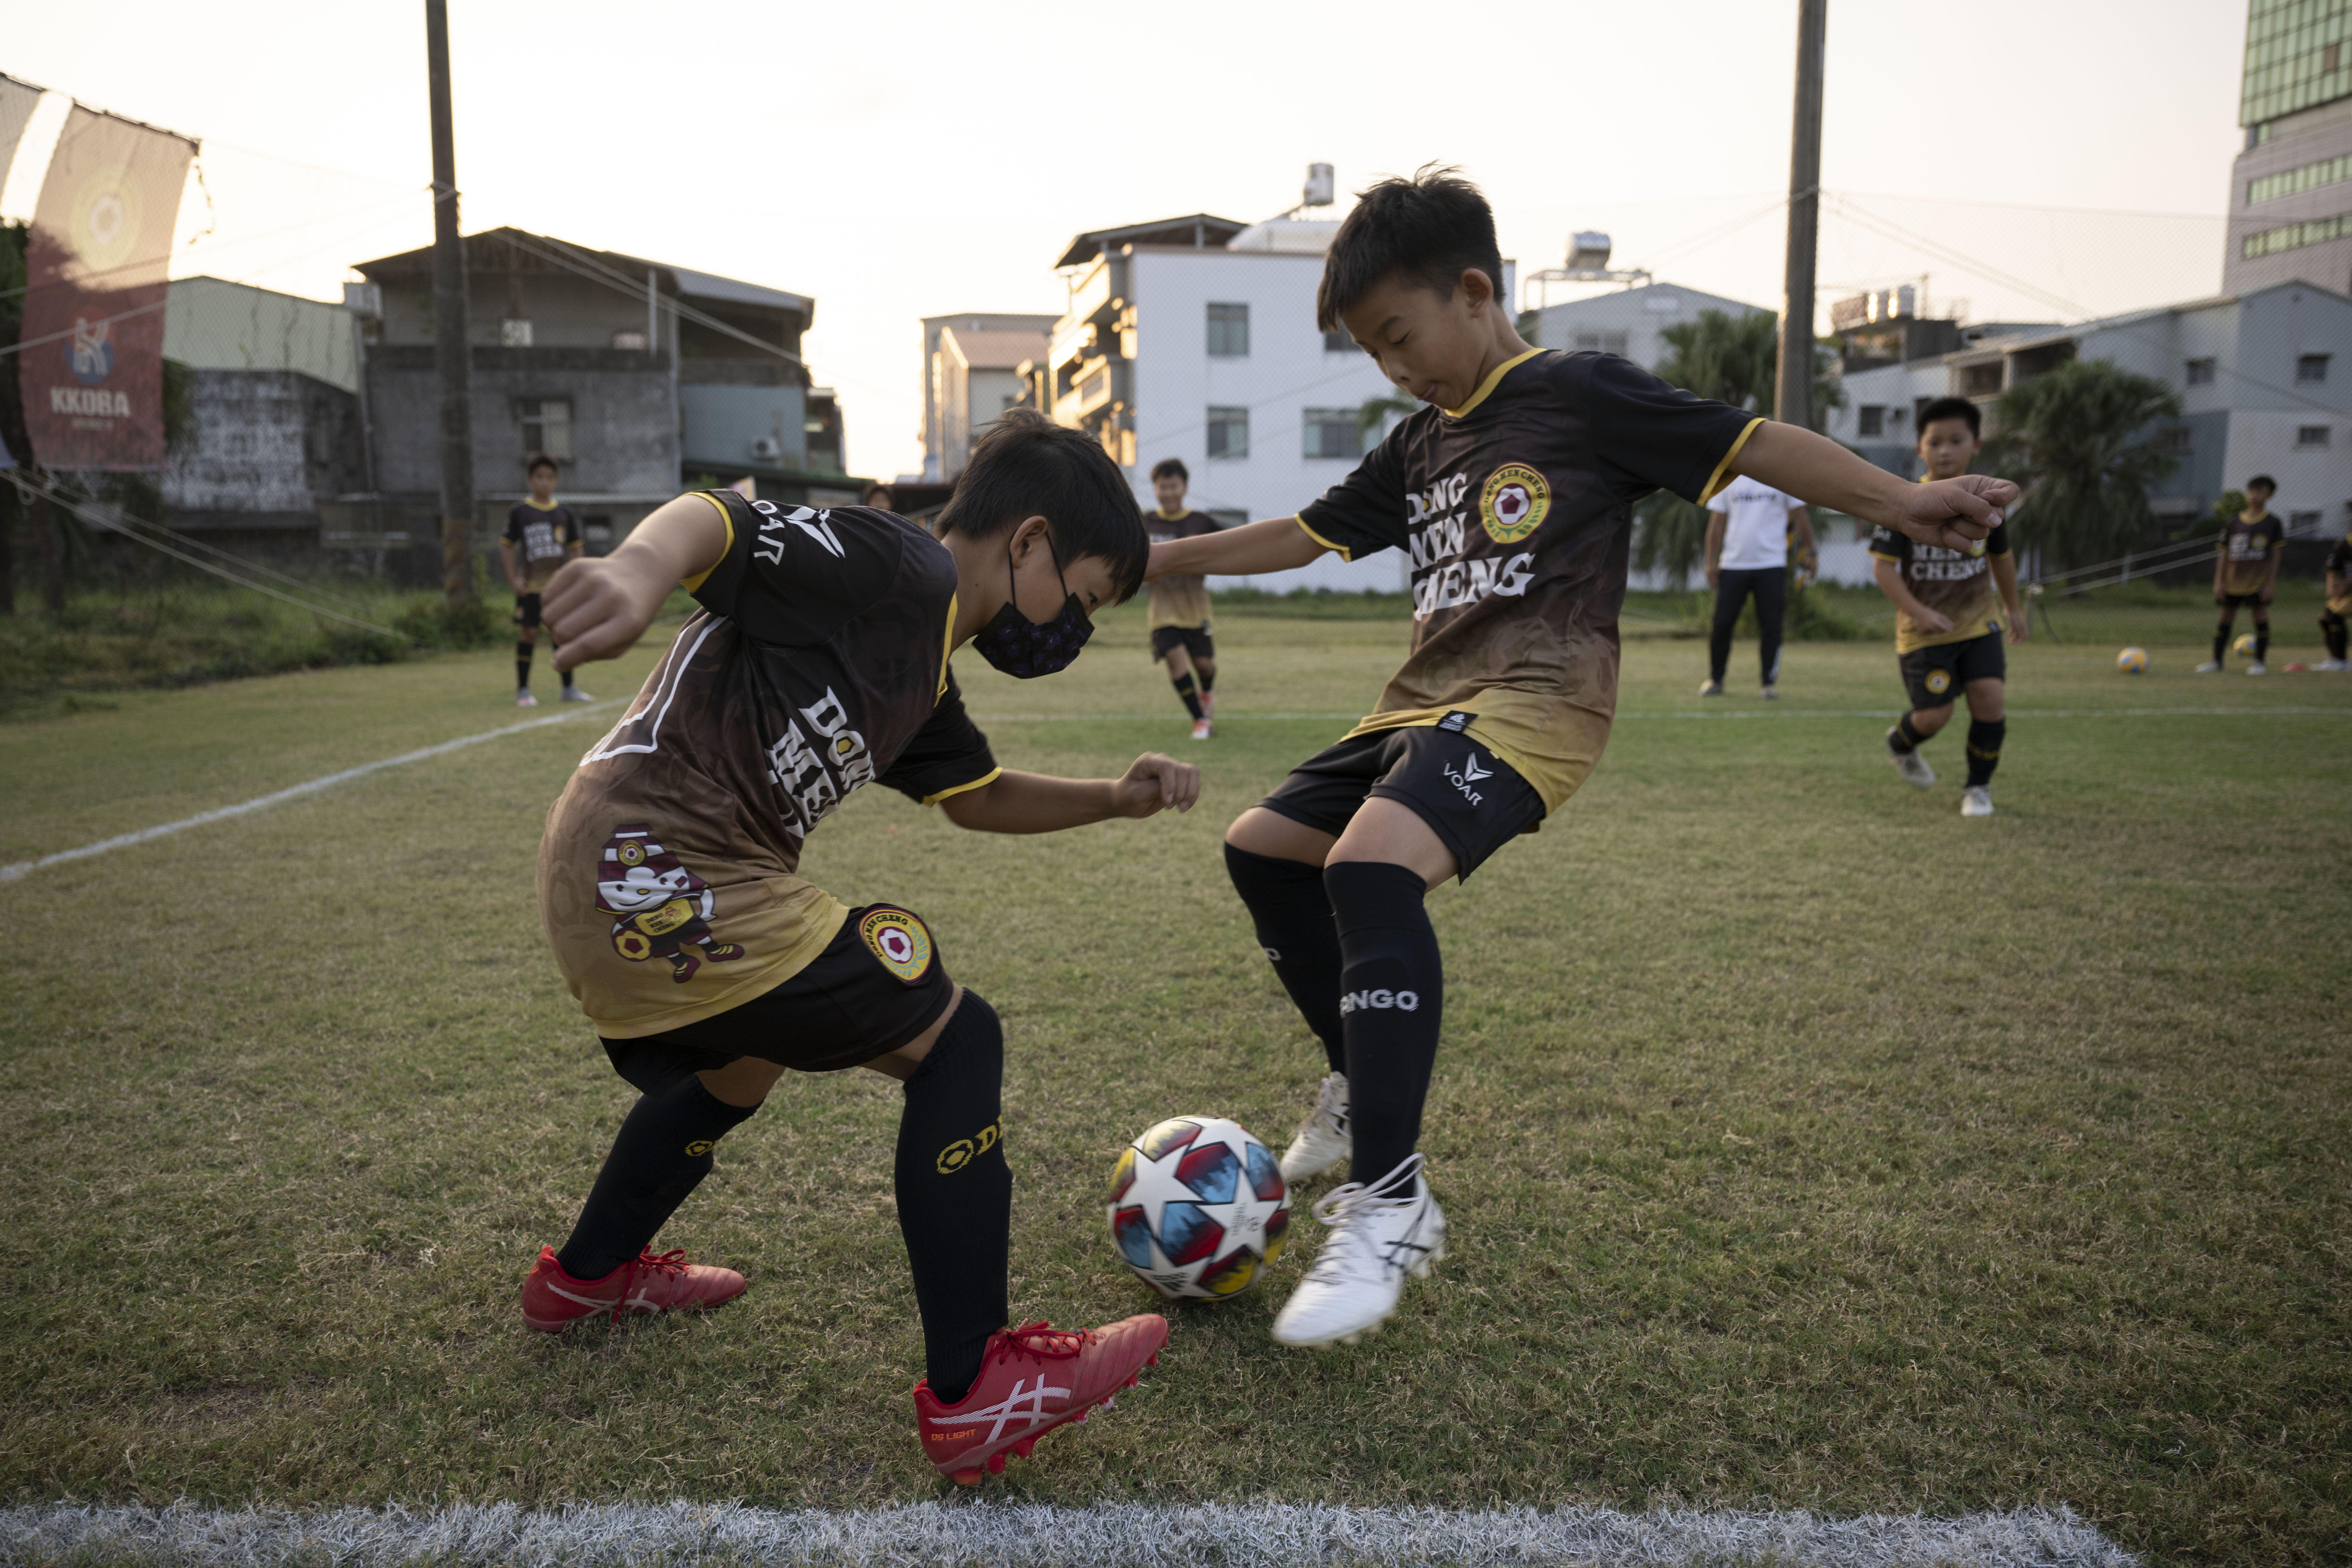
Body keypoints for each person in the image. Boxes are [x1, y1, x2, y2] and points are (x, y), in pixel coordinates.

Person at [1145, 167, 2015, 1350]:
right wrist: (1157, 557)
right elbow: (1302, 534)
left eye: (1402, 336)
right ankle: (1359, 1079)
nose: (1398, 368)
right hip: (1418, 706)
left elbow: (1757, 442)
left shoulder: (1579, 392)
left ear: (1472, 290)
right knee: (1261, 852)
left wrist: (1906, 501)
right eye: (1375, 353)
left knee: (1369, 871)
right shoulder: (1417, 444)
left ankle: (1392, 1203)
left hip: (1538, 702)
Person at [519, 410, 1192, 1484]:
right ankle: (977, 1386)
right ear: (1027, 545)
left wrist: (1117, 799)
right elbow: (722, 521)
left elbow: (975, 799)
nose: (1077, 629)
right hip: (656, 863)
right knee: (956, 1039)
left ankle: (587, 1275)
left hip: (615, 871)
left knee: (742, 1064)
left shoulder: (924, 669)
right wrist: (641, 568)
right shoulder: (898, 565)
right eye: (1087, 598)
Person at [1869, 397, 2027, 819]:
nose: (1945, 450)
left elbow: (2002, 558)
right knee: (1935, 716)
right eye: (1935, 441)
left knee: (1990, 700)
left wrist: (2013, 609)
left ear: (1975, 444)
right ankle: (1901, 743)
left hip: (1978, 625)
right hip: (1924, 634)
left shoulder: (1987, 504)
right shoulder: (1905, 502)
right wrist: (1918, 611)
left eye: (1956, 440)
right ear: (1920, 449)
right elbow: (1883, 570)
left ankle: (1978, 788)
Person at [1698, 473, 1814, 699]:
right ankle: (1716, 679)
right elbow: (1717, 522)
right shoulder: (1729, 478)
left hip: (1771, 564)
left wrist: (1811, 551)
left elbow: (1801, 516)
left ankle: (1768, 684)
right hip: (1734, 564)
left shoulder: (1782, 475)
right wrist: (1710, 561)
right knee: (1722, 623)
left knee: (1771, 625)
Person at [1143, 458, 1224, 739]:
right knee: (1175, 660)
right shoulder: (1145, 522)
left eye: (1173, 486)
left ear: (1184, 488)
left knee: (1204, 665)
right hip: (1162, 612)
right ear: (1155, 489)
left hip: (1196, 610)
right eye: (1162, 487)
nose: (1168, 492)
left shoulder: (1201, 522)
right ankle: (1201, 721)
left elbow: (1229, 546)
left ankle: (1207, 691)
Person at [503, 455, 591, 707]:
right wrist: (513, 580)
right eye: (540, 477)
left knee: (561, 634)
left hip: (558, 589)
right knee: (529, 633)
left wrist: (575, 580)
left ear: (556, 481)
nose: (545, 482)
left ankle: (569, 688)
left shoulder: (564, 513)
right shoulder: (520, 512)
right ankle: (523, 691)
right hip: (531, 588)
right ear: (530, 479)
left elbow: (576, 549)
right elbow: (506, 546)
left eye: (550, 477)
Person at [2199, 477, 2285, 674]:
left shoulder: (2272, 522)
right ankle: (2216, 661)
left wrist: (2271, 583)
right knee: (2225, 618)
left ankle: (2259, 663)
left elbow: (2276, 555)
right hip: (2233, 582)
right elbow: (2224, 554)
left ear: (2269, 495)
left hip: (2258, 582)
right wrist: (2219, 581)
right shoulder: (2234, 522)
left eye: (2260, 491)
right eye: (2251, 491)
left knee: (2260, 617)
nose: (2254, 495)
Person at [2321, 522, 2352, 671]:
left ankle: (2341, 661)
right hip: (2347, 593)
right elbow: (2332, 570)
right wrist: (2333, 591)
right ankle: (2335, 658)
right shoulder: (2344, 546)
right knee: (2326, 618)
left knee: (2337, 615)